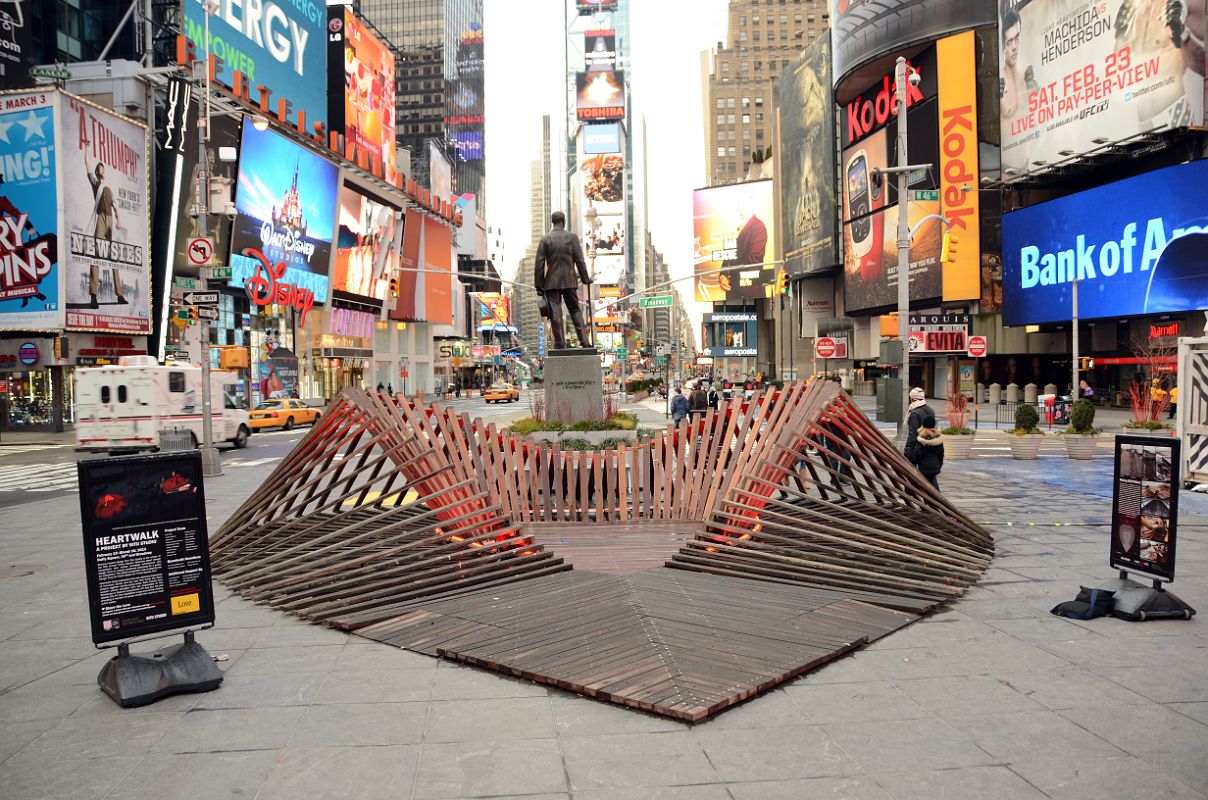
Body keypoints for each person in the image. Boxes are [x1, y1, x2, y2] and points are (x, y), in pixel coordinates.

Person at [534, 211, 592, 350]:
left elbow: (539, 264)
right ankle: (584, 341)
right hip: (569, 280)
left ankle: (559, 343)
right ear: (563, 221)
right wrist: (585, 278)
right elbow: (579, 260)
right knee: (575, 310)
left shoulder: (545, 239)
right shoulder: (571, 238)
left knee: (555, 312)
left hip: (551, 282)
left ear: (552, 222)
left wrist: (539, 285)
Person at [904, 387, 935, 466]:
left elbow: (913, 434)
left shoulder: (914, 413)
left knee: (914, 474)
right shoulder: (931, 410)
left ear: (912, 399)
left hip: (918, 449)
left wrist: (908, 450)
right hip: (930, 447)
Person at [914, 413, 945, 490]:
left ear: (923, 425)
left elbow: (918, 453)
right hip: (935, 466)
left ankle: (933, 498)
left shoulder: (921, 438)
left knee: (925, 485)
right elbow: (941, 454)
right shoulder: (938, 438)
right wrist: (939, 465)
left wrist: (918, 462)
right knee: (932, 481)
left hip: (923, 467)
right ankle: (936, 496)